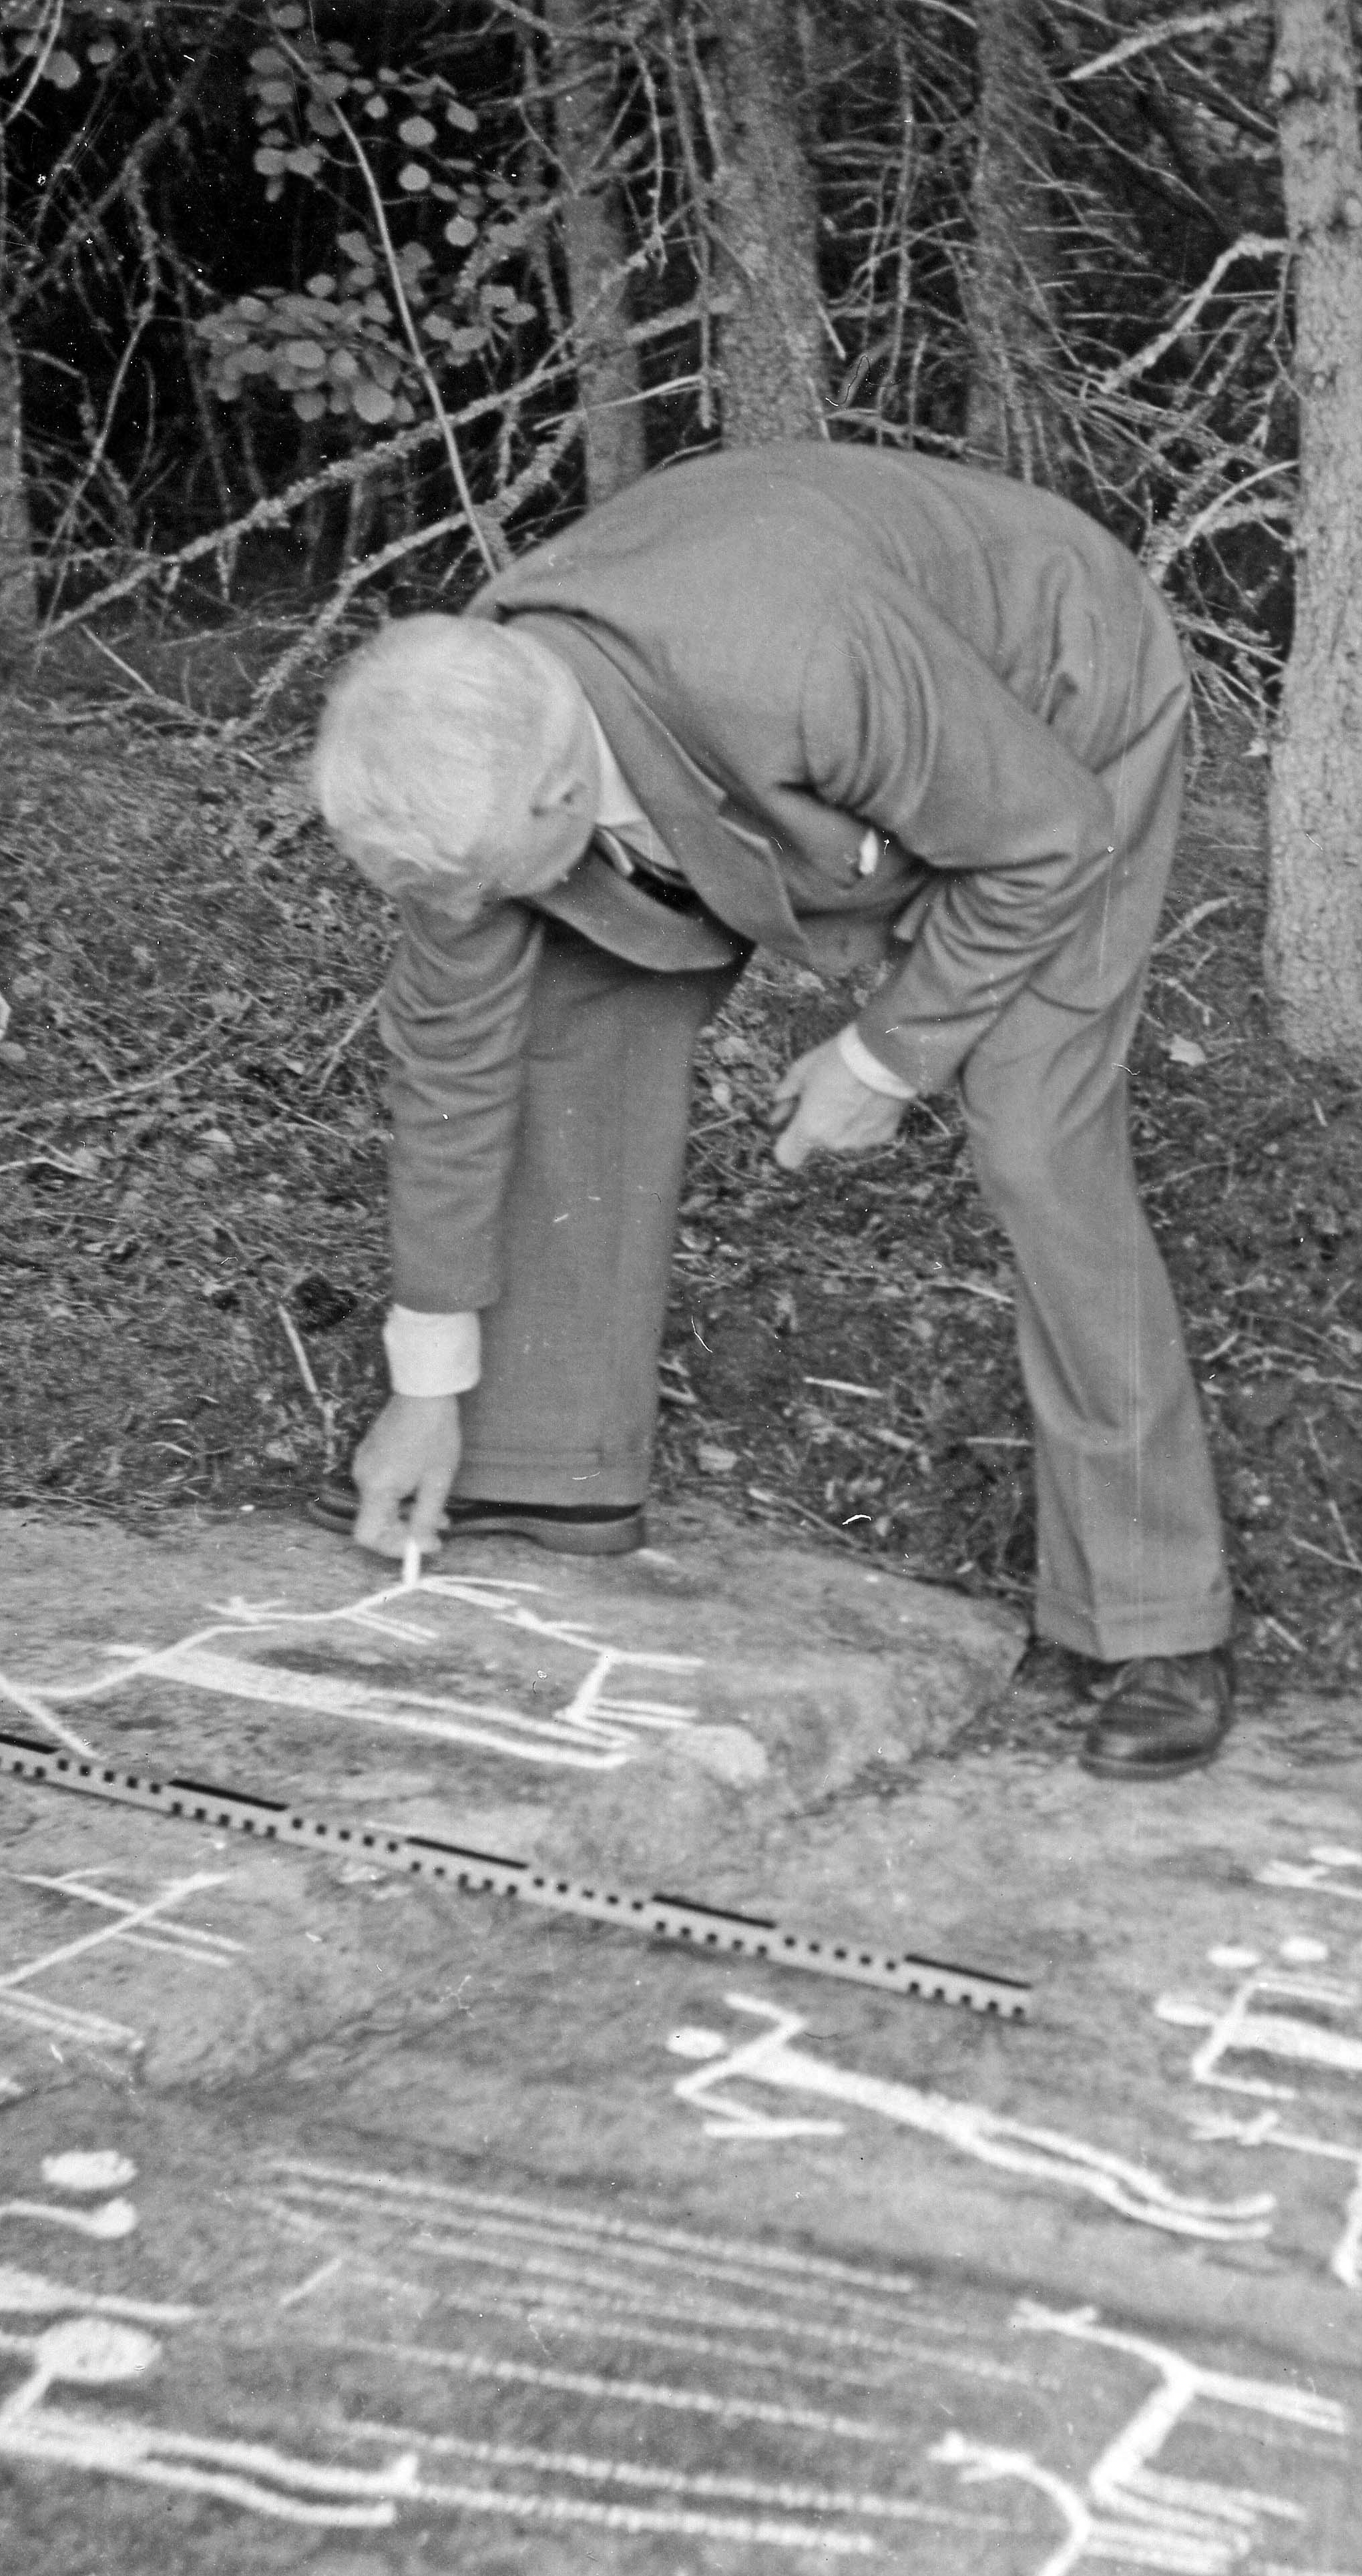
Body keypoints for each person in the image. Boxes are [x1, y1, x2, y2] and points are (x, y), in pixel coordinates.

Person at [305, 443, 1236, 1781]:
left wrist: (885, 1055)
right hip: (776, 769)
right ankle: (533, 1455)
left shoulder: (795, 662)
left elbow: (1047, 840)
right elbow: (450, 1075)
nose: (455, 922)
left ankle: (1156, 1617)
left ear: (567, 800)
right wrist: (424, 1389)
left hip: (1047, 716)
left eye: (475, 891)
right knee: (571, 1010)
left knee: (1034, 1128)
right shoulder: (471, 748)